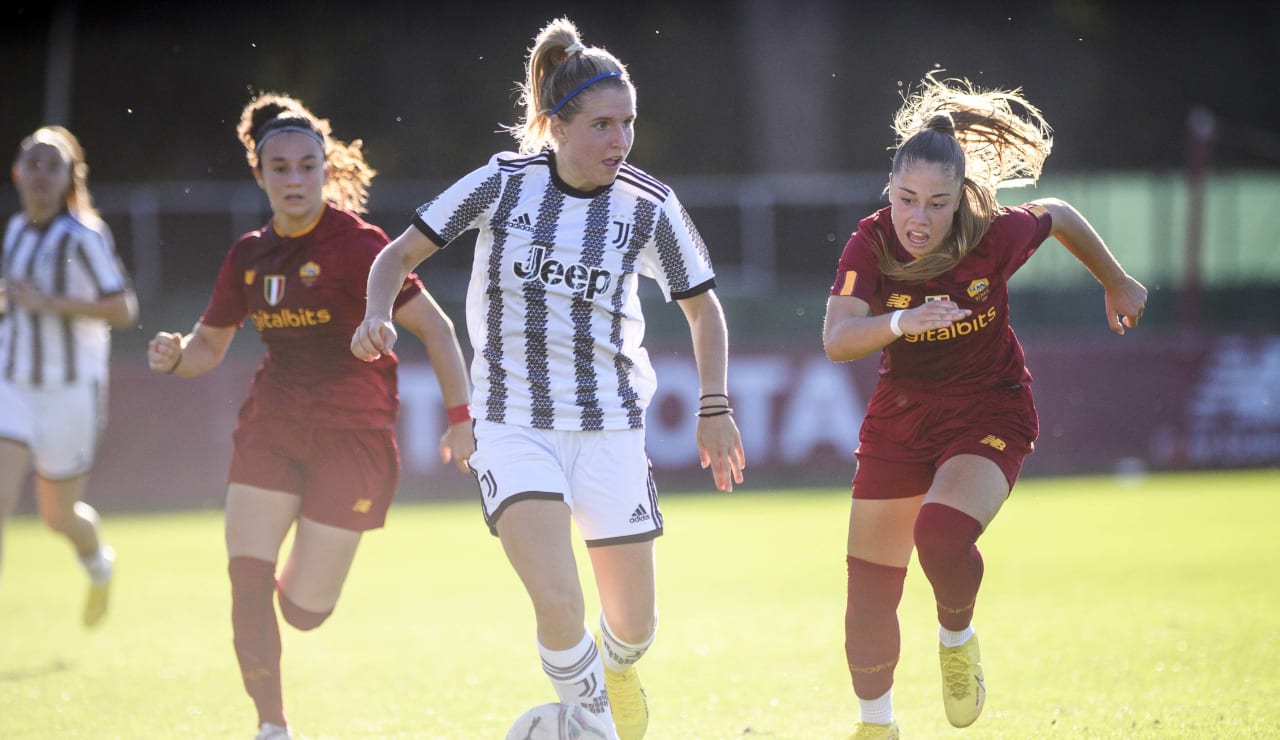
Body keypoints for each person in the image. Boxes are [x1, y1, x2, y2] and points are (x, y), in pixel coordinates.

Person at [350, 17, 746, 739]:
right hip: (512, 423)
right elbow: (393, 257)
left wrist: (714, 406)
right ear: (556, 126)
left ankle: (613, 676)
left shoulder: (648, 206)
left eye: (627, 123)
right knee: (560, 605)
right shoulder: (501, 185)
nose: (619, 141)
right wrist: (376, 314)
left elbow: (704, 311)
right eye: (601, 125)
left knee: (634, 627)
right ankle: (588, 727)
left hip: (611, 429)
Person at [822, 74, 1148, 740]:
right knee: (868, 591)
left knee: (939, 535)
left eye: (937, 204)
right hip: (901, 419)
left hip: (989, 412)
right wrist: (900, 325)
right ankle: (875, 727)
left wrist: (1116, 281)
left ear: (959, 200)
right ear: (889, 191)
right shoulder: (871, 243)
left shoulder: (992, 234)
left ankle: (956, 637)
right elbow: (836, 339)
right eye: (907, 199)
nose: (919, 218)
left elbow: (1059, 215)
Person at [146, 93, 473, 740]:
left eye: (305, 166)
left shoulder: (362, 248)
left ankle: (296, 592)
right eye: (280, 168)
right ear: (259, 174)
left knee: (302, 613)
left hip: (353, 440)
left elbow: (437, 331)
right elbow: (208, 347)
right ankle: (272, 726)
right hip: (272, 426)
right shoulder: (248, 256)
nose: (293, 180)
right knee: (246, 578)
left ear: (326, 170)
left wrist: (461, 417)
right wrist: (176, 355)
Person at [0, 125, 136, 627]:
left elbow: (123, 307)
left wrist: (52, 304)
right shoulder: (15, 231)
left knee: (58, 518)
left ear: (69, 177)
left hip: (71, 391)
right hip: (11, 382)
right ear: (16, 173)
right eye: (32, 162)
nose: (40, 173)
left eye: (52, 164)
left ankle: (99, 565)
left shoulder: (83, 236)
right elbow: (17, 300)